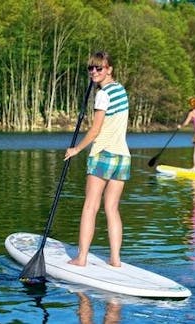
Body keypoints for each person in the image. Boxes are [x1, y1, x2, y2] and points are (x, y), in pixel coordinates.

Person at [64, 51, 130, 267]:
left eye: (98, 68)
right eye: (90, 68)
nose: (93, 72)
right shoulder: (121, 90)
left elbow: (95, 130)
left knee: (90, 206)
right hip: (123, 156)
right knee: (112, 208)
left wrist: (76, 149)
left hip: (103, 154)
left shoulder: (103, 95)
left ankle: (81, 258)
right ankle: (115, 260)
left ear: (109, 69)